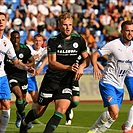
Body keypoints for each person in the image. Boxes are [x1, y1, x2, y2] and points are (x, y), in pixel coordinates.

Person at [19, 12, 90, 133]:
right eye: (65, 25)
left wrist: (82, 66)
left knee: (61, 109)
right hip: (51, 81)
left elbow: (86, 58)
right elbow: (52, 63)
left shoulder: (79, 40)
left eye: (70, 25)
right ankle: (24, 122)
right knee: (39, 112)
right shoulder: (53, 41)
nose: (68, 27)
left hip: (66, 82)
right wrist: (68, 68)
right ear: (59, 25)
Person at [87, 20, 133, 133]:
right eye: (127, 30)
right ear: (122, 31)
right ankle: (93, 130)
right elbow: (95, 54)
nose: (130, 33)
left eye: (132, 31)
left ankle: (94, 132)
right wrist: (95, 67)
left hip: (119, 86)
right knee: (114, 111)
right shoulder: (114, 44)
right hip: (108, 82)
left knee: (113, 116)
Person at [0, 12, 34, 133]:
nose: (1, 22)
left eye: (3, 19)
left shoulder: (7, 43)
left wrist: (26, 68)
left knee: (6, 106)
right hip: (10, 76)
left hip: (2, 77)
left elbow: (16, 62)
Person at [26, 34, 48, 124]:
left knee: (36, 99)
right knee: (26, 100)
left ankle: (32, 118)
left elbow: (49, 58)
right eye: (36, 40)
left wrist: (43, 69)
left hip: (31, 77)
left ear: (42, 42)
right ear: (33, 41)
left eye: (40, 41)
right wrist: (38, 55)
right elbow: (28, 61)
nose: (38, 42)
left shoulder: (44, 51)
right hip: (23, 76)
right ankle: (20, 116)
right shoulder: (28, 48)